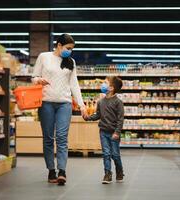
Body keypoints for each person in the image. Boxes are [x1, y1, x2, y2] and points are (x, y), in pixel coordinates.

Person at [32, 33, 87, 185]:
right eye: (68, 48)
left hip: (65, 103)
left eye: (71, 49)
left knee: (62, 138)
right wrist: (38, 80)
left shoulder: (71, 62)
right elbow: (34, 76)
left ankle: (62, 171)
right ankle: (51, 170)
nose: (70, 51)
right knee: (48, 138)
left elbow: (74, 85)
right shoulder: (44, 57)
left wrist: (81, 105)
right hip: (46, 103)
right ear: (59, 45)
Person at [84, 76, 125, 184]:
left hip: (114, 133)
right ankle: (107, 174)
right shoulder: (101, 101)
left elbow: (120, 119)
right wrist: (88, 117)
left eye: (105, 83)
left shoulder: (118, 102)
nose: (103, 84)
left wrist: (117, 132)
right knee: (106, 153)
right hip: (103, 131)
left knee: (115, 154)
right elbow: (98, 115)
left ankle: (119, 171)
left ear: (111, 88)